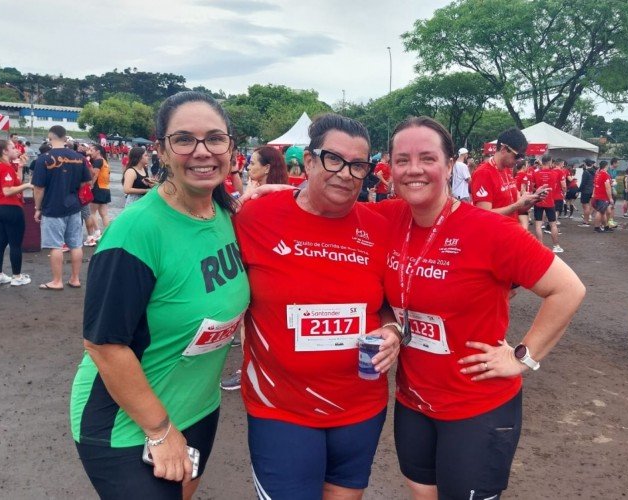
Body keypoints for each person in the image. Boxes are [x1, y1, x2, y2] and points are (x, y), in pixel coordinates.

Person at [372, 116, 584, 499]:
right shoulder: (388, 218)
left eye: (427, 158)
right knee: (421, 491)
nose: (413, 169)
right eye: (402, 159)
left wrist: (523, 357)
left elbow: (568, 290)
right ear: (391, 167)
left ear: (451, 165)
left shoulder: (489, 229)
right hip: (413, 402)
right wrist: (270, 190)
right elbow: (325, 212)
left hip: (477, 407)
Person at [70, 91, 251, 499]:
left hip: (198, 409)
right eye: (184, 139)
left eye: (215, 139)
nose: (201, 151)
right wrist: (159, 429)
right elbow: (103, 344)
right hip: (129, 423)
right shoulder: (137, 231)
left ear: (231, 148)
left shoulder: (222, 212)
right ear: (162, 152)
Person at [233, 114, 402, 499]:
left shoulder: (380, 226)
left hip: (360, 411)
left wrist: (393, 331)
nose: (345, 173)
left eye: (357, 165)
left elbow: (392, 304)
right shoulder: (253, 216)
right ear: (308, 162)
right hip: (282, 412)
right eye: (333, 159)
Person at [220, 145, 290, 391]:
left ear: (267, 168)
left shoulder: (271, 195)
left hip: (261, 265)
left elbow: (235, 216)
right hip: (253, 261)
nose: (250, 166)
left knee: (253, 320)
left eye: (253, 163)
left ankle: (250, 371)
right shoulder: (260, 190)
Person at [32, 125, 91, 290]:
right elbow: (85, 181)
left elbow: (38, 188)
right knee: (76, 244)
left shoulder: (44, 159)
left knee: (56, 245)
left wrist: (38, 208)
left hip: (52, 207)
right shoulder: (79, 157)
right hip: (74, 206)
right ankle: (75, 279)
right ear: (65, 138)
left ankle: (57, 281)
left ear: (50, 137)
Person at [471, 128, 548, 219]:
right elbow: (484, 215)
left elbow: (518, 210)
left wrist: (535, 199)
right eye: (518, 156)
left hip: (511, 229)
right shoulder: (483, 173)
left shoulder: (507, 170)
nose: (519, 160)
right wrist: (516, 205)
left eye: (522, 157)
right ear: (503, 149)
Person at [0, 139, 33, 286]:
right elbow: (8, 190)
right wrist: (28, 185)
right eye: (12, 147)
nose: (16, 150)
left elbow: (14, 182)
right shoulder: (5, 167)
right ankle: (17, 277)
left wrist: (20, 167)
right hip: (10, 208)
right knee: (15, 244)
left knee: (0, 242)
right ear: (5, 151)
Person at [532, 155, 565, 253]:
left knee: (538, 225)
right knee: (553, 225)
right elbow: (561, 185)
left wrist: (539, 190)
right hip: (550, 201)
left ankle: (540, 246)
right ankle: (556, 246)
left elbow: (533, 187)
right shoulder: (555, 173)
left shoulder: (536, 172)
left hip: (538, 200)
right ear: (550, 162)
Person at [89, 144, 112, 232]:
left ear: (98, 151)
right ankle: (108, 232)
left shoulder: (98, 161)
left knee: (92, 212)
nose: (90, 152)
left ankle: (97, 232)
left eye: (92, 150)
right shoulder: (105, 162)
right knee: (104, 214)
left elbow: (95, 174)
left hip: (97, 188)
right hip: (105, 188)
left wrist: (91, 185)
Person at [591, 160, 614, 233]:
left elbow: (595, 185)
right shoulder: (605, 174)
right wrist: (610, 198)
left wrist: (593, 194)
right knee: (600, 212)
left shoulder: (598, 174)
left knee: (603, 212)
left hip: (597, 195)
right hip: (603, 196)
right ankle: (596, 227)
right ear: (606, 166)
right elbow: (607, 187)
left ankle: (606, 227)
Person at [578, 159, 595, 226]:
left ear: (585, 164)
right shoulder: (594, 171)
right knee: (589, 205)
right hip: (592, 190)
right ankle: (588, 219)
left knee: (585, 206)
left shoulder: (586, 172)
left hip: (585, 191)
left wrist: (578, 190)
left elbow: (583, 183)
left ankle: (586, 221)